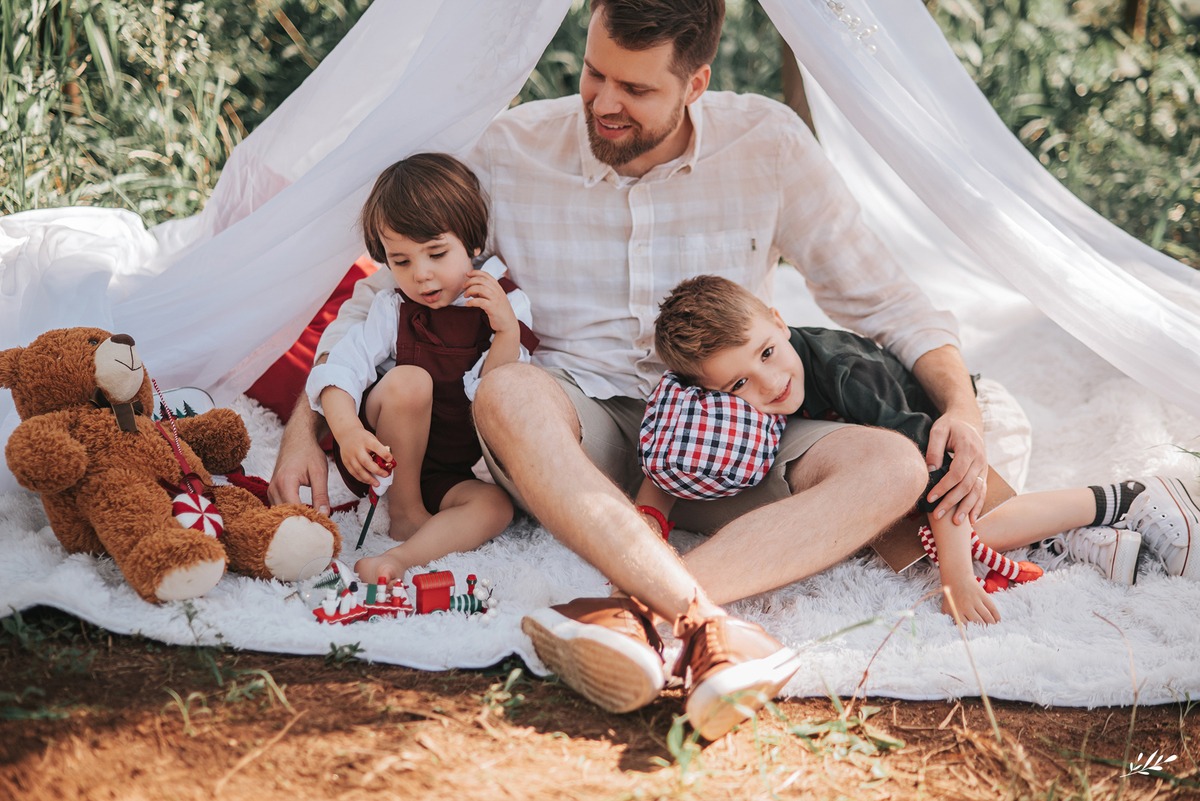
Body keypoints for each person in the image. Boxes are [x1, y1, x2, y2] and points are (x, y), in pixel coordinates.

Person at [270, 0, 1015, 739]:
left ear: (696, 83)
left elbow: (889, 301)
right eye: (596, 74)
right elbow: (381, 293)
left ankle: (635, 610)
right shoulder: (509, 149)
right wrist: (307, 426)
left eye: (637, 88)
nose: (604, 103)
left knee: (891, 465)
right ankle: (701, 623)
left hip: (733, 440)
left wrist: (963, 411)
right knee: (507, 389)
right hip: (575, 439)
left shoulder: (769, 144)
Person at [639, 275, 1200, 625]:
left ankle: (1118, 499)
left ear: (778, 320)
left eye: (766, 352)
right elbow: (674, 449)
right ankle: (1087, 545)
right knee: (879, 536)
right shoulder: (730, 397)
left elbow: (940, 476)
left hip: (966, 429)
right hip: (903, 452)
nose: (767, 384)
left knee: (946, 535)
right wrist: (650, 516)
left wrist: (958, 579)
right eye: (738, 384)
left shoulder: (845, 371)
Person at [304, 153, 538, 587]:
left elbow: (497, 393)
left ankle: (402, 555)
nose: (422, 275)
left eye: (436, 253)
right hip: (390, 455)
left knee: (496, 507)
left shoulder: (503, 303)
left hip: (453, 466)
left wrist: (506, 333)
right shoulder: (392, 307)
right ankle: (406, 510)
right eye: (402, 261)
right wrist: (348, 432)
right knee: (410, 379)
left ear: (472, 243)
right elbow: (340, 368)